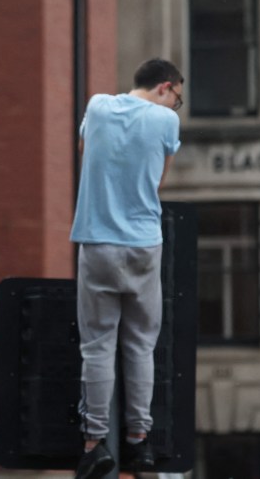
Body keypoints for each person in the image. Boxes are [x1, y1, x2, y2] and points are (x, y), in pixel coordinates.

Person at [70, 58, 183, 479]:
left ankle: (93, 443)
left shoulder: (97, 107)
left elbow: (86, 151)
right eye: (178, 98)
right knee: (139, 345)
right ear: (165, 87)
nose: (175, 105)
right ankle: (139, 442)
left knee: (96, 345)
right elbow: (158, 183)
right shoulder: (166, 122)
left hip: (97, 239)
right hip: (142, 244)